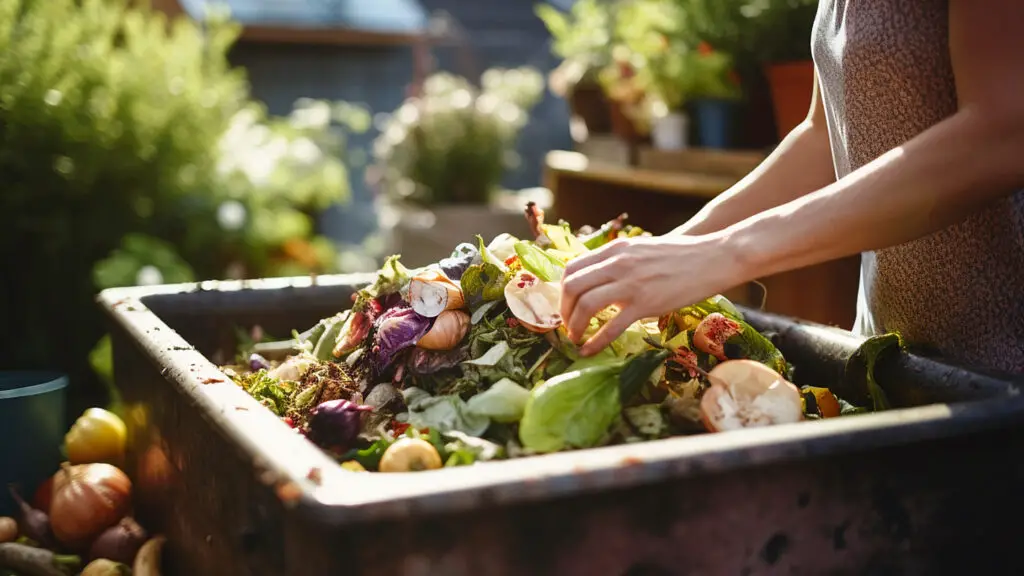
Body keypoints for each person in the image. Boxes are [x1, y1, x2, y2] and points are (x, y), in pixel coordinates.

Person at [559, 1, 1024, 374]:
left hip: (1004, 368)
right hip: (900, 354)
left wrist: (727, 253)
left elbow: (1004, 133)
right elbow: (825, 136)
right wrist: (676, 247)